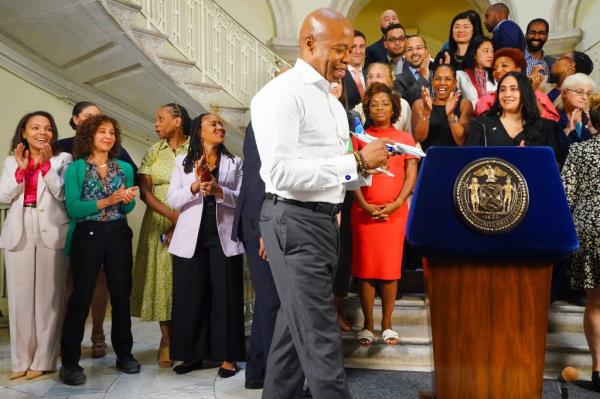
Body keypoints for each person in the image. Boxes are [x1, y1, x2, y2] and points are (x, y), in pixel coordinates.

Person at [251, 8, 390, 398]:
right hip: (294, 221)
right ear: (310, 43)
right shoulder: (280, 94)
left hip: (325, 222)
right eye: (340, 49)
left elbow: (332, 170)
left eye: (350, 50)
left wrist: (365, 171)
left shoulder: (331, 103)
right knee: (320, 338)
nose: (348, 58)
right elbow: (280, 173)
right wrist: (358, 161)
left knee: (292, 339)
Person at [60, 115, 140, 386]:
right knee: (80, 296)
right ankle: (70, 363)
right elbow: (73, 208)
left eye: (111, 132)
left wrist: (128, 199)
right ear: (88, 137)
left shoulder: (125, 169)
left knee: (120, 295)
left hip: (118, 234)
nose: (108, 136)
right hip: (88, 235)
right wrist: (108, 199)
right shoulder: (76, 169)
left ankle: (125, 355)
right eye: (101, 132)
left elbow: (126, 209)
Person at [167, 113, 245, 378]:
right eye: (213, 124)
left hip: (223, 237)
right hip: (191, 238)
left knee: (226, 296)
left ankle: (228, 357)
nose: (220, 127)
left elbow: (243, 198)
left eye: (221, 124)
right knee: (191, 296)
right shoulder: (182, 162)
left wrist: (220, 191)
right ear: (199, 131)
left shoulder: (235, 162)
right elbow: (173, 201)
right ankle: (193, 355)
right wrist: (193, 186)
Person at [0, 112, 71, 381]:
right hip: (19, 228)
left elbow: (63, 193)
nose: (43, 132)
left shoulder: (63, 159)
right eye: (35, 127)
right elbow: (3, 196)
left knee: (48, 299)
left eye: (48, 128)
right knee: (19, 301)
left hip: (51, 229)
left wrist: (44, 167)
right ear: (24, 133)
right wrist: (20, 169)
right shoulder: (11, 160)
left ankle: (44, 359)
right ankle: (20, 360)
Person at [351, 83, 418, 347]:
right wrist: (365, 205)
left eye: (385, 103)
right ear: (367, 108)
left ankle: (387, 324)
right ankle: (367, 325)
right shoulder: (360, 137)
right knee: (365, 270)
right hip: (363, 212)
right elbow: (353, 176)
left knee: (390, 270)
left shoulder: (405, 139)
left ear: (394, 108)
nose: (380, 108)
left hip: (395, 212)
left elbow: (411, 173)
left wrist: (398, 202)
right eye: (375, 104)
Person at [130, 103, 190, 369]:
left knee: (186, 279)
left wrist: (182, 219)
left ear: (177, 121)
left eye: (160, 119)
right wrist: (171, 217)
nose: (156, 124)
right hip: (158, 221)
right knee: (161, 280)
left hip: (192, 219)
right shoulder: (154, 152)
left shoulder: (195, 148)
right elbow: (145, 191)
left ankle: (189, 338)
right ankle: (166, 339)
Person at [231, 122, 280, 389]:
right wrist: (264, 229)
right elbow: (256, 176)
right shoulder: (264, 118)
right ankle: (277, 380)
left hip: (266, 222)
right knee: (272, 302)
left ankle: (258, 373)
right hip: (258, 223)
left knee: (267, 302)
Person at [561, 92, 600, 389]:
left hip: (589, 228)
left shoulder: (580, 151)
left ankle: (599, 371)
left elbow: (565, 195)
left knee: (595, 303)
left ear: (591, 123)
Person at [466, 72, 563, 163]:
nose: (507, 95)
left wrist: (535, 151)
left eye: (514, 89)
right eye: (502, 90)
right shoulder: (481, 124)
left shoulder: (545, 126)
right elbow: (469, 161)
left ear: (525, 93)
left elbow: (555, 165)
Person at [475, 48, 559, 122]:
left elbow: (552, 124)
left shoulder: (539, 96)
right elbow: (485, 127)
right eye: (494, 68)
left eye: (504, 65)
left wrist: (530, 94)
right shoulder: (486, 100)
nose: (498, 71)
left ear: (518, 70)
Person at [412, 63, 473, 152]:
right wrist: (426, 113)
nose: (442, 83)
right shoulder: (420, 104)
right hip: (429, 159)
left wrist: (450, 115)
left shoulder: (464, 104)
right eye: (438, 79)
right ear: (432, 82)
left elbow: (462, 141)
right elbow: (419, 138)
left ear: (455, 83)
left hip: (456, 158)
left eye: (448, 79)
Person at [358, 62, 412, 132]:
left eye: (379, 76)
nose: (374, 80)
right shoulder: (359, 108)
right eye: (370, 76)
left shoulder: (403, 105)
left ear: (391, 78)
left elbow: (410, 136)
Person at [557, 73, 597, 155]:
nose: (585, 97)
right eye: (579, 92)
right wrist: (567, 131)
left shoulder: (593, 121)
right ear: (564, 93)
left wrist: (594, 134)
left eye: (588, 93)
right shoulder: (553, 119)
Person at [394, 35, 433, 106]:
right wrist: (424, 77)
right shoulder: (397, 80)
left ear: (426, 51)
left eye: (419, 48)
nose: (415, 52)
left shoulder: (437, 76)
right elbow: (403, 105)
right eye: (409, 49)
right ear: (405, 54)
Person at [460, 35, 496, 105]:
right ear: (474, 54)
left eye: (492, 51)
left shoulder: (495, 77)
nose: (491, 55)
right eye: (486, 51)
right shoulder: (461, 75)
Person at [343, 30, 367, 109]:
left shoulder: (370, 74)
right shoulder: (339, 76)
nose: (358, 51)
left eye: (362, 46)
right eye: (353, 46)